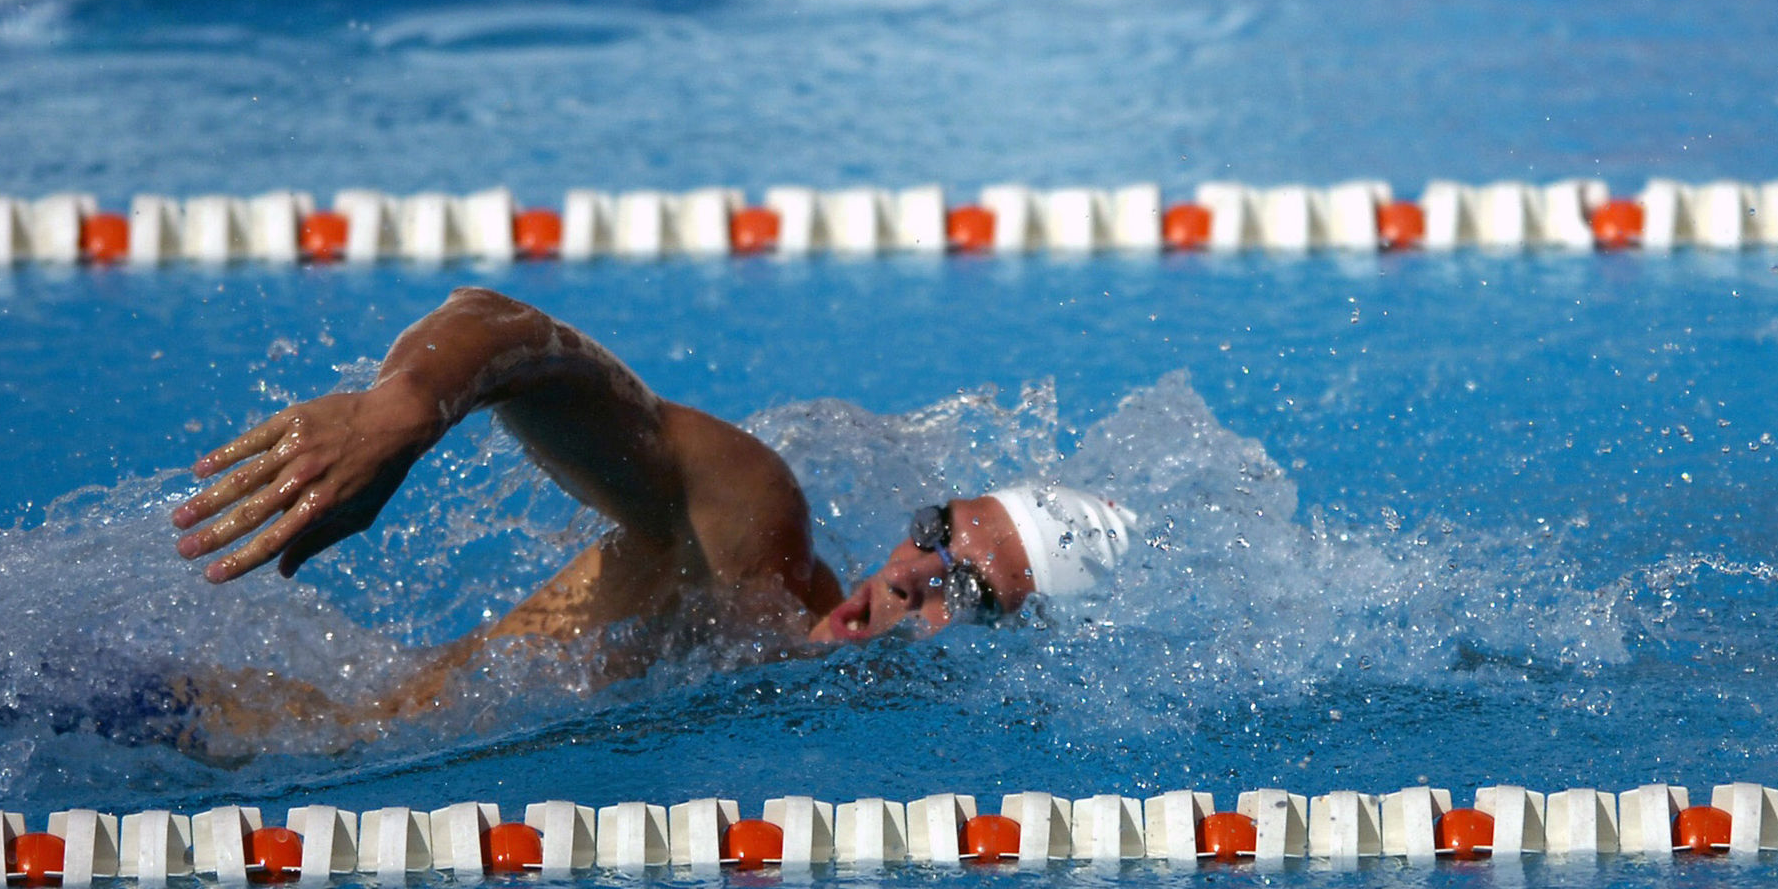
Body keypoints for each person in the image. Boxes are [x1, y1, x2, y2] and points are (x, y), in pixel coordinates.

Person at [171, 287, 1136, 726]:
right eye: (933, 532)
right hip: (199, 730)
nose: (905, 574)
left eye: (961, 591)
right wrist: (406, 408)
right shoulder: (753, 548)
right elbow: (512, 329)